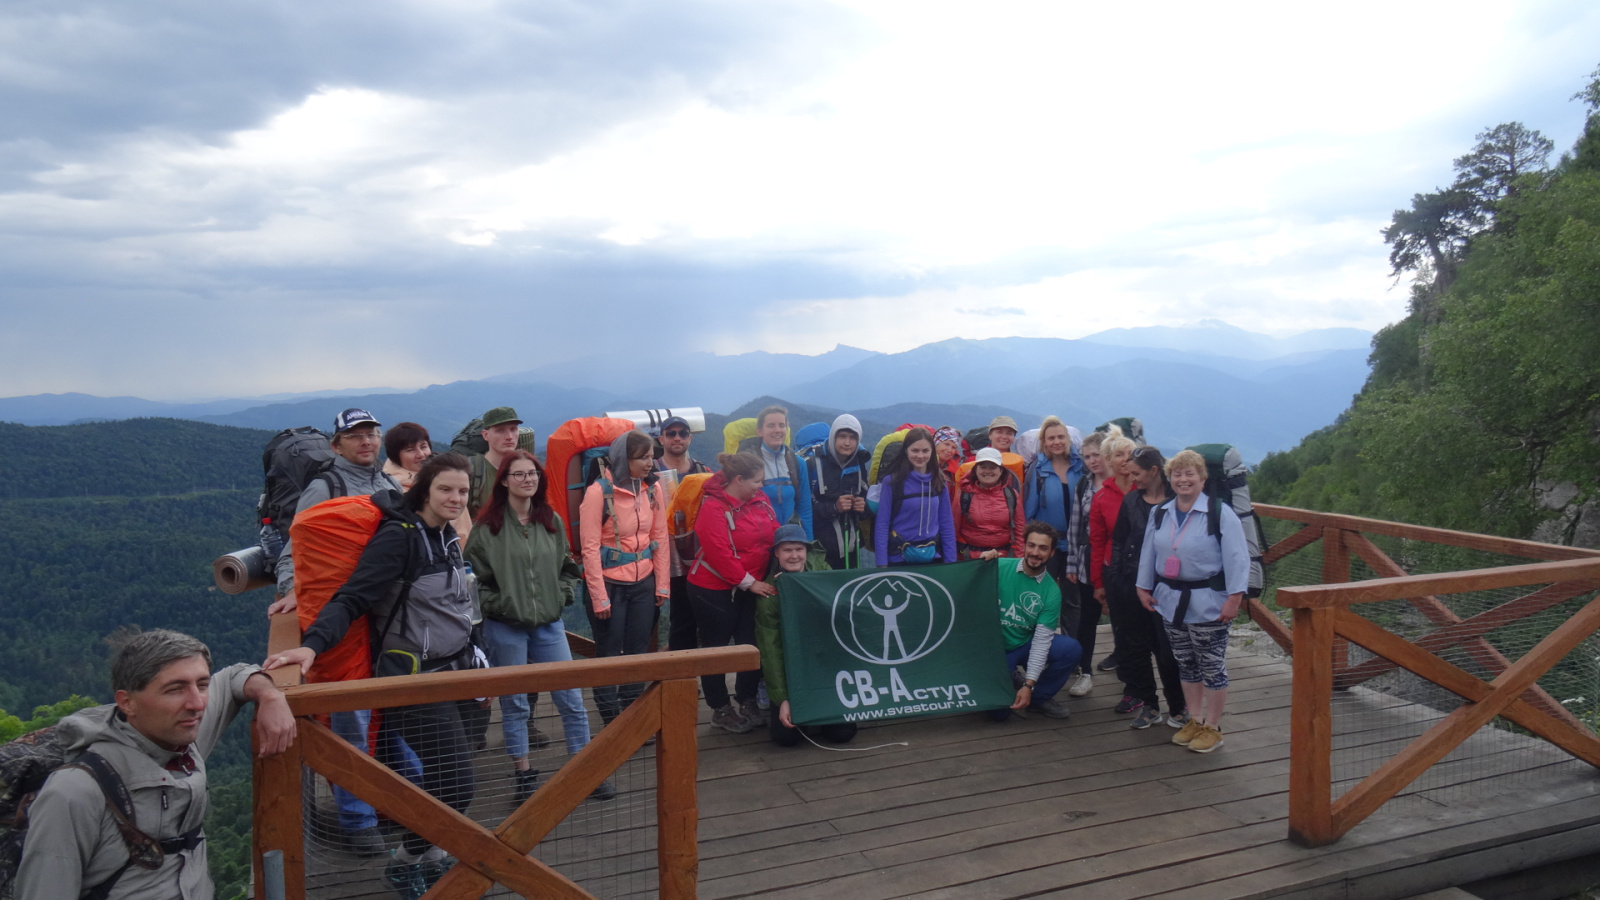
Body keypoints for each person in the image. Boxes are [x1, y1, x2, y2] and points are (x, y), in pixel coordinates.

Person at [267, 453, 479, 899]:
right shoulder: (399, 538)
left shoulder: (445, 536)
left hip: (455, 671)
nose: (455, 498)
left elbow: (454, 608)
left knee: (442, 780)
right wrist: (312, 645)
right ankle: (403, 864)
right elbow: (352, 597)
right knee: (458, 786)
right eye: (445, 489)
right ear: (423, 490)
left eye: (462, 491)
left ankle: (433, 861)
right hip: (410, 681)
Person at [16, 629, 295, 900]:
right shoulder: (74, 792)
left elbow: (235, 675)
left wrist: (270, 695)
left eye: (202, 684)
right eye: (175, 690)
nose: (197, 704)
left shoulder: (179, 734)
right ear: (127, 702)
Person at [266, 407, 401, 858]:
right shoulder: (324, 487)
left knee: (387, 711)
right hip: (340, 617)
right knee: (349, 714)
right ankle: (357, 820)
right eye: (356, 435)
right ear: (336, 444)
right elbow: (296, 543)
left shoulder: (389, 483)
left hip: (384, 616)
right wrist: (292, 589)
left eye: (372, 434)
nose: (367, 442)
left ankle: (388, 804)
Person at [465, 451, 615, 803]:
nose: (527, 479)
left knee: (571, 698)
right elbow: (472, 581)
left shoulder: (550, 520)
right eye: (518, 474)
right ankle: (524, 773)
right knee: (515, 703)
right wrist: (500, 604)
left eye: (532, 473)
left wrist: (561, 596)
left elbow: (568, 567)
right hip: (505, 626)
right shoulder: (487, 528)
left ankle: (583, 771)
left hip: (548, 624)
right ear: (504, 481)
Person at [383, 421, 492, 752]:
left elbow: (464, 530)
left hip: (458, 588)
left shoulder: (446, 490)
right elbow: (361, 591)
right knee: (443, 754)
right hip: (418, 647)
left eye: (424, 446)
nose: (420, 454)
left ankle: (470, 741)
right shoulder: (390, 496)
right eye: (410, 449)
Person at [1137, 449, 1250, 753]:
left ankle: (1213, 727)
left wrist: (1234, 599)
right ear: (1169, 478)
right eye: (1177, 474)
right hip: (1170, 601)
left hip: (1209, 602)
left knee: (1211, 665)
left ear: (1203, 478)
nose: (1183, 480)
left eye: (1190, 474)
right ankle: (1195, 720)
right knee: (1185, 663)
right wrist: (1143, 587)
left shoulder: (1219, 513)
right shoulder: (1161, 512)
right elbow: (1149, 551)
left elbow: (1238, 559)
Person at [578, 431, 670, 725]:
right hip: (610, 584)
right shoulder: (598, 492)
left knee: (638, 652)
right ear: (623, 459)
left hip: (644, 581)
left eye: (651, 456)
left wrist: (662, 585)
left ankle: (631, 722)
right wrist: (599, 597)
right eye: (643, 457)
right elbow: (589, 548)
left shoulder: (653, 489)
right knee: (608, 654)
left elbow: (660, 537)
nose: (650, 462)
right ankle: (612, 721)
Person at [687, 451, 779, 734]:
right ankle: (720, 708)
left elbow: (774, 532)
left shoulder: (759, 500)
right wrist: (749, 582)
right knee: (716, 649)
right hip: (713, 588)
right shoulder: (713, 507)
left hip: (751, 585)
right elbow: (719, 553)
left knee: (751, 644)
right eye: (757, 481)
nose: (761, 486)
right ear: (739, 479)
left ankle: (747, 700)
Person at [754, 524, 859, 747]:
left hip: (826, 666)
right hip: (794, 671)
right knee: (786, 738)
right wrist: (783, 699)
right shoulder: (769, 595)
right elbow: (771, 652)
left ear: (807, 551)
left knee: (842, 734)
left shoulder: (823, 573)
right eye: (787, 550)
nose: (794, 556)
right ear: (777, 553)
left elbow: (845, 612)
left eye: (799, 549)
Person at [1107, 447, 1188, 730]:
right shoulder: (1131, 501)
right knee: (1136, 648)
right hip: (1130, 583)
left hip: (1166, 585)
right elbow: (1119, 540)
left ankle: (1177, 706)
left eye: (1137, 474)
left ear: (1154, 471)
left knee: (1167, 649)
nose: (1132, 479)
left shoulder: (1178, 500)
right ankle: (1149, 705)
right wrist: (1116, 576)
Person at [990, 523, 1083, 721]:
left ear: (1052, 553)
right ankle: (1009, 675)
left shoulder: (1051, 591)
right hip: (994, 649)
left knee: (1071, 649)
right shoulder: (999, 567)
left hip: (1024, 642)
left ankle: (1038, 698)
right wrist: (981, 562)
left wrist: (1029, 685)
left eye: (1043, 548)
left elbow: (1041, 642)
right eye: (1031, 545)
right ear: (1023, 546)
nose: (1035, 552)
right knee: (998, 714)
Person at [1024, 418, 1090, 690]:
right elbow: (1029, 509)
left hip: (1076, 544)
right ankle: (1038, 655)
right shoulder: (1037, 470)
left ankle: (1071, 655)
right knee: (1040, 600)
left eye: (1060, 437)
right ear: (1044, 442)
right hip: (1046, 547)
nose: (1056, 442)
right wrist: (1029, 545)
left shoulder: (1081, 466)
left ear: (1068, 439)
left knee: (1072, 602)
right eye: (1051, 438)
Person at [1090, 429, 1138, 713]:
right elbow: (1097, 542)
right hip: (1115, 571)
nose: (1126, 459)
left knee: (1146, 634)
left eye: (1130, 454)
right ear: (1108, 460)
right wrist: (1098, 582)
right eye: (1119, 454)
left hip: (1146, 571)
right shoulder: (1101, 498)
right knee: (1123, 632)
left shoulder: (1147, 491)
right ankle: (1132, 690)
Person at [656, 415, 711, 652]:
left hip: (694, 556)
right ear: (661, 439)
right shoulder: (650, 469)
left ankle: (684, 667)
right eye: (671, 433)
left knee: (689, 616)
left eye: (682, 433)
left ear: (690, 438)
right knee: (650, 617)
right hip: (657, 553)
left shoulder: (703, 471)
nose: (677, 438)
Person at [873, 427, 956, 566]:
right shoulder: (892, 482)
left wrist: (950, 562)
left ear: (932, 452)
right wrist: (882, 563)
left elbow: (946, 523)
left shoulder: (939, 481)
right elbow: (882, 524)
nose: (920, 456)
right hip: (898, 559)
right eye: (915, 450)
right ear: (906, 451)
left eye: (925, 451)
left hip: (933, 558)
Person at [738, 405, 814, 540]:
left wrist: (807, 542)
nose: (777, 430)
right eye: (771, 426)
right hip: (758, 539)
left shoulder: (797, 463)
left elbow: (804, 508)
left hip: (789, 539)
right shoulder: (748, 463)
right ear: (760, 431)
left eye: (781, 425)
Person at [808, 414, 872, 570]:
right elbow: (803, 509)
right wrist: (834, 507)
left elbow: (866, 502)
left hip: (851, 549)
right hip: (819, 551)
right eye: (842, 436)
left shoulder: (859, 462)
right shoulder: (812, 464)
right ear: (833, 436)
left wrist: (863, 507)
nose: (847, 443)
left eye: (853, 438)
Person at [952, 447, 1025, 560]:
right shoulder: (964, 494)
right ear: (975, 470)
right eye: (983, 467)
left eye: (993, 467)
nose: (987, 471)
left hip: (1003, 558)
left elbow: (1019, 531)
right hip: (970, 558)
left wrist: (1018, 561)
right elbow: (953, 530)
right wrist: (952, 560)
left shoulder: (1011, 495)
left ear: (1001, 470)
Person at [468, 406, 525, 521]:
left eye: (513, 429)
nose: (509, 437)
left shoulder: (528, 471)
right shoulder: (472, 470)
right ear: (485, 435)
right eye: (500, 431)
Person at [955, 416, 1027, 487]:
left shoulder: (1019, 463)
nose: (1004, 437)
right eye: (999, 432)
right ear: (990, 435)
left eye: (1009, 433)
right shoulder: (974, 460)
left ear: (1014, 438)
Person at [933, 426, 965, 495]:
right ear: (936, 442)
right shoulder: (922, 466)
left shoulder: (953, 472)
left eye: (953, 447)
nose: (949, 450)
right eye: (946, 444)